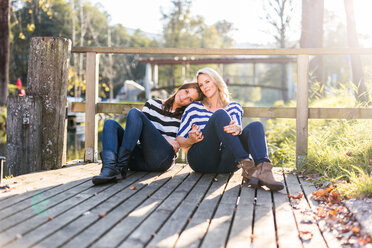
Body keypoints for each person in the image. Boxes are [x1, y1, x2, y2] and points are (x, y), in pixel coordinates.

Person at [176, 68, 283, 191]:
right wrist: (190, 139)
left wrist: (238, 128)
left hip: (226, 163)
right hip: (202, 160)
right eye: (201, 85)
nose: (204, 87)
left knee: (256, 126)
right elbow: (179, 139)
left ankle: (264, 170)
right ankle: (249, 167)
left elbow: (234, 132)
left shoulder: (234, 107)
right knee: (219, 115)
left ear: (216, 82)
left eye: (207, 82)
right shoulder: (193, 108)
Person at [92, 82, 203, 185]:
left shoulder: (185, 116)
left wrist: (166, 140)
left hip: (161, 159)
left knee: (135, 112)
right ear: (181, 88)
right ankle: (109, 168)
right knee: (110, 124)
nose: (184, 97)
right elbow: (138, 134)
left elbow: (178, 144)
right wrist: (166, 138)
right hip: (139, 159)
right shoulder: (152, 103)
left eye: (190, 99)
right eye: (186, 92)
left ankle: (120, 167)